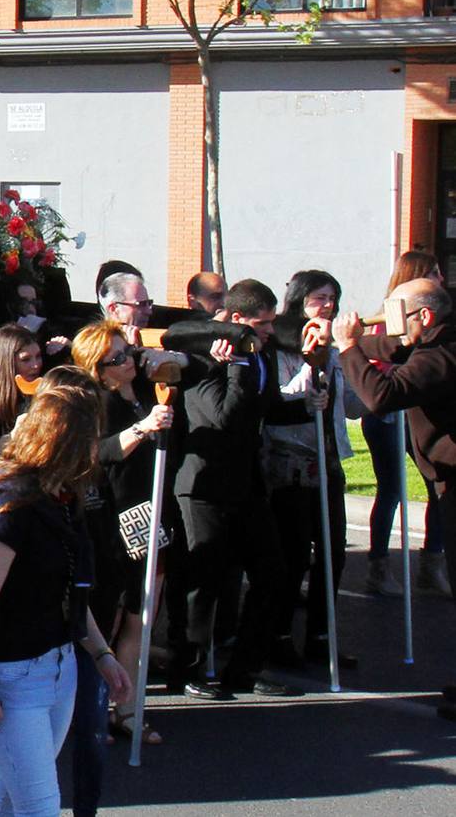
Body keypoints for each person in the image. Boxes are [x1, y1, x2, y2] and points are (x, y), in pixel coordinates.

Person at [0, 384, 134, 817]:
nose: (96, 449)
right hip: (11, 678)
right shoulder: (9, 506)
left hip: (60, 670)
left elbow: (72, 591)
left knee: (10, 795)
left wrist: (103, 654)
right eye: (89, 438)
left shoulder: (61, 499)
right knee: (39, 807)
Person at [170, 279, 308, 699]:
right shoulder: (202, 355)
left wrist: (305, 403)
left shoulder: (259, 352)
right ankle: (189, 668)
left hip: (245, 483)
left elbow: (256, 412)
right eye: (260, 324)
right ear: (234, 321)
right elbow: (225, 416)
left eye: (270, 323)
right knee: (203, 581)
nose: (268, 331)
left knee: (272, 573)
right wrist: (234, 365)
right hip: (204, 485)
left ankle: (246, 668)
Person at [332, 277, 456, 719]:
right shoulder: (435, 342)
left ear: (424, 316)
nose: (389, 323)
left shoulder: (440, 357)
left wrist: (348, 349)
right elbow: (395, 350)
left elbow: (381, 397)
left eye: (397, 313)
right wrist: (348, 337)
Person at [68, 322, 174, 746]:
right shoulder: (92, 403)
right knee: (105, 617)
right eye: (117, 358)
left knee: (141, 617)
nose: (128, 361)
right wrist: (142, 429)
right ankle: (87, 709)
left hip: (150, 514)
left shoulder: (147, 392)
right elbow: (94, 454)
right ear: (99, 368)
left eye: (128, 352)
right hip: (111, 521)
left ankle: (128, 710)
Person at [263, 269, 355, 667]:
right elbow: (275, 402)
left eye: (333, 298)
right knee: (295, 553)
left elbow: (351, 404)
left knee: (333, 553)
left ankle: (321, 634)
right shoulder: (282, 347)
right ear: (300, 301)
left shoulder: (333, 349)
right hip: (291, 462)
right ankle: (279, 634)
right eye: (319, 297)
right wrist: (306, 382)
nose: (328, 305)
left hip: (329, 459)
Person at [365, 251, 447, 596]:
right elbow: (383, 364)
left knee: (436, 488)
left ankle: (431, 565)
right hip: (388, 413)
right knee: (392, 490)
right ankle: (379, 568)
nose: (440, 280)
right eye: (433, 273)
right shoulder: (395, 317)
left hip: (414, 410)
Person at [0, 323, 47, 474]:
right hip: (15, 486)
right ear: (8, 363)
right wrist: (12, 437)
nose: (35, 365)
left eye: (38, 356)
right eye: (26, 360)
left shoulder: (46, 388)